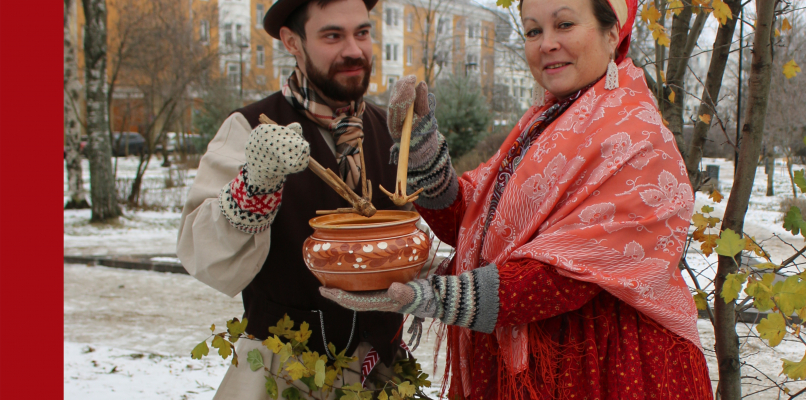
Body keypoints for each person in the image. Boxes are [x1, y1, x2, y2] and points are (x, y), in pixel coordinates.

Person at [319, 0, 714, 398]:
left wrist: (432, 296)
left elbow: (564, 277)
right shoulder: (546, 122)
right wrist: (422, 153)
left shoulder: (639, 141)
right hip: (531, 360)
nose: (546, 44)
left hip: (602, 365)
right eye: (533, 31)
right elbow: (474, 223)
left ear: (613, 33)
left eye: (564, 24)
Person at [176, 0, 416, 397]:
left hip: (380, 375)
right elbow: (203, 256)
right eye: (332, 35)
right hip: (280, 376)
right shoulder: (249, 128)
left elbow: (409, 243)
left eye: (362, 32)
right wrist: (255, 186)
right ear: (292, 41)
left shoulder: (392, 133)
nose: (354, 50)